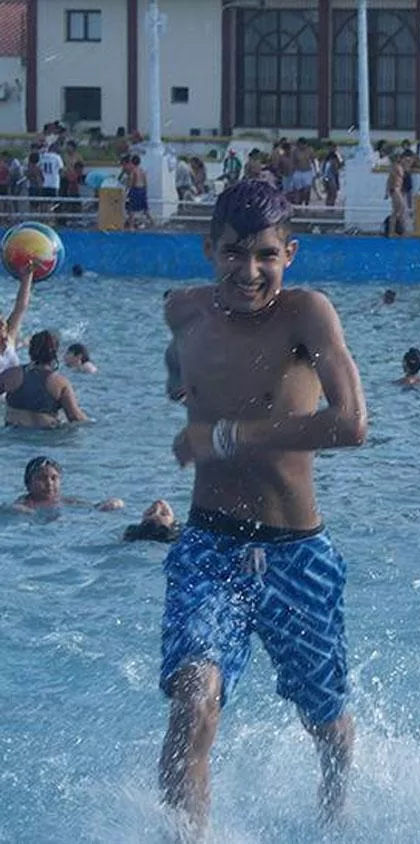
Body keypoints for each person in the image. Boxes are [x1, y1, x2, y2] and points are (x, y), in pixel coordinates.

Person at [158, 180, 367, 838]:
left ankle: (336, 818)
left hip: (295, 551)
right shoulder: (183, 313)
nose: (249, 272)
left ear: (291, 253)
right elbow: (178, 359)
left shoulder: (307, 315)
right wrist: (178, 380)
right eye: (233, 253)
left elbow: (352, 423)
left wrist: (222, 435)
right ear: (207, 249)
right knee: (194, 700)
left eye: (266, 255)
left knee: (324, 719)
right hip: (208, 544)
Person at [0, 330, 89, 427]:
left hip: (14, 436)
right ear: (55, 353)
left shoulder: (11, 375)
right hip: (46, 436)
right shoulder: (60, 383)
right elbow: (76, 417)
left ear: (30, 350)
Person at [12, 456, 123, 513]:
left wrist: (108, 504)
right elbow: (14, 508)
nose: (49, 483)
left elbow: (93, 507)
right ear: (28, 484)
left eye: (54, 478)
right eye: (42, 478)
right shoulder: (24, 504)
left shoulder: (65, 501)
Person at [0, 262, 37, 373]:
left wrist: (28, 276)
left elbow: (20, 307)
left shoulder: (9, 338)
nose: (3, 324)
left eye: (2, 320)